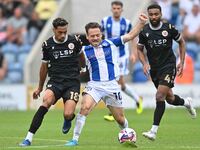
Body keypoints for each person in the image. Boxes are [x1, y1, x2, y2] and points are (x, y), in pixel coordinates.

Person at [64, 13, 148, 146]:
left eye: (97, 35)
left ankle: (127, 134)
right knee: (84, 108)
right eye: (92, 36)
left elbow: (131, 35)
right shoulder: (84, 51)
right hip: (94, 86)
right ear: (87, 37)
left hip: (112, 86)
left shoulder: (112, 43)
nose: (95, 38)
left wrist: (141, 23)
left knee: (120, 120)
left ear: (101, 34)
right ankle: (74, 139)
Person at [19, 17, 86, 146]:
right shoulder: (47, 45)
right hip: (55, 82)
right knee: (46, 101)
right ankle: (28, 138)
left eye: (65, 32)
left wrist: (83, 68)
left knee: (67, 114)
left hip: (72, 82)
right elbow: (43, 67)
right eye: (60, 32)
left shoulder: (75, 41)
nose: (63, 35)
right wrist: (39, 88)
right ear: (54, 30)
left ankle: (68, 119)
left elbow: (81, 55)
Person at [137, 4, 197, 141]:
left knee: (159, 96)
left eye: (156, 14)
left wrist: (181, 62)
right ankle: (186, 103)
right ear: (148, 15)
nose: (153, 17)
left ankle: (153, 131)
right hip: (155, 69)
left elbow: (181, 42)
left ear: (161, 14)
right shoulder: (144, 31)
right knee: (169, 98)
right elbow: (139, 49)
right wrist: (144, 63)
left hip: (169, 66)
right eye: (151, 14)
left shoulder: (169, 28)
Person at [101, 1, 143, 121]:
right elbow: (100, 36)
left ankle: (114, 112)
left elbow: (132, 37)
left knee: (115, 82)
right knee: (121, 84)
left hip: (122, 56)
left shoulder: (127, 23)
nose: (116, 10)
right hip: (109, 56)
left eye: (118, 8)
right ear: (111, 9)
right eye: (114, 8)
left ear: (121, 10)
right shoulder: (105, 21)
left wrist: (134, 53)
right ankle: (137, 99)